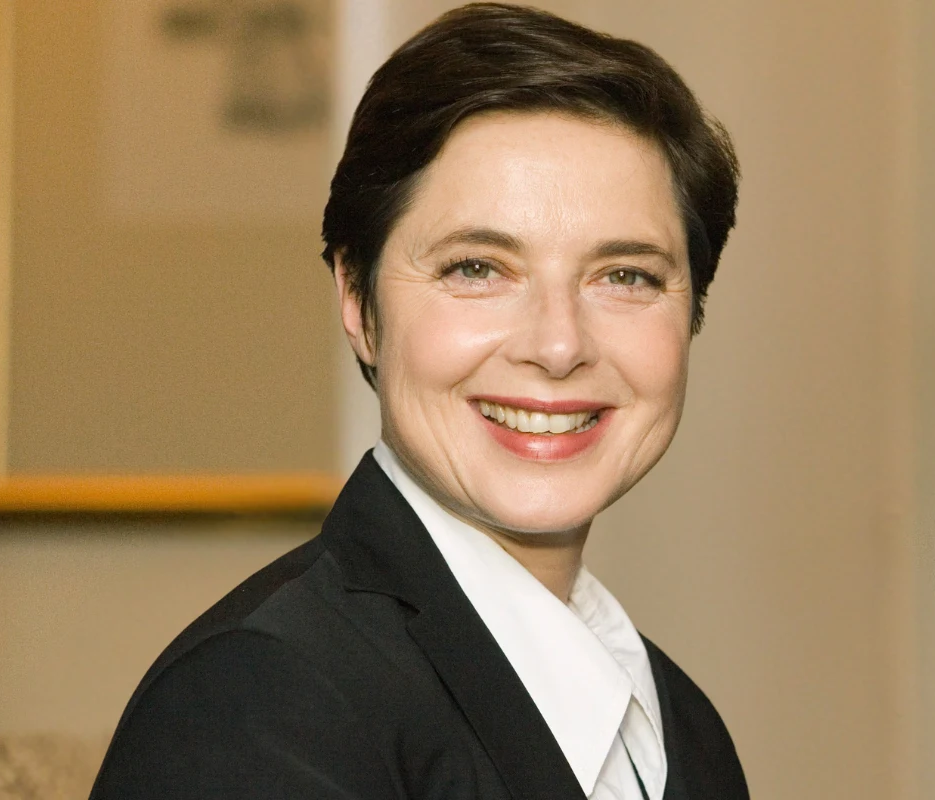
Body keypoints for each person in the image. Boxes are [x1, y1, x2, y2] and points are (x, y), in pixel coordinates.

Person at [89, 4, 744, 798]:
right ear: (358, 301)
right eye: (477, 268)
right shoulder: (256, 702)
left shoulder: (684, 730)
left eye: (625, 276)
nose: (558, 345)